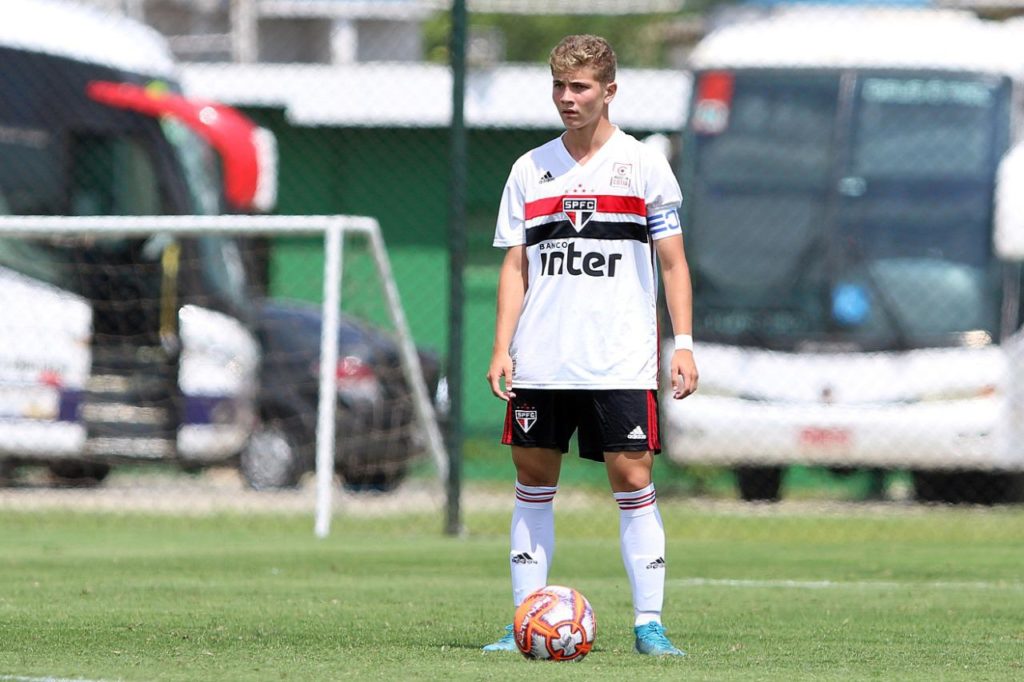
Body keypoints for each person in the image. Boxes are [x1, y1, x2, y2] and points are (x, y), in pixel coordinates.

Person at [482, 34, 699, 657]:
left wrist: (682, 343)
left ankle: (649, 624)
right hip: (543, 358)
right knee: (532, 478)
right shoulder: (530, 168)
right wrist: (502, 346)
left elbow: (675, 265)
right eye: (559, 86)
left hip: (619, 355)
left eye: (579, 88)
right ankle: (524, 618)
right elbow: (516, 267)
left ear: (609, 90)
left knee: (632, 478)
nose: (567, 99)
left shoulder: (644, 164)